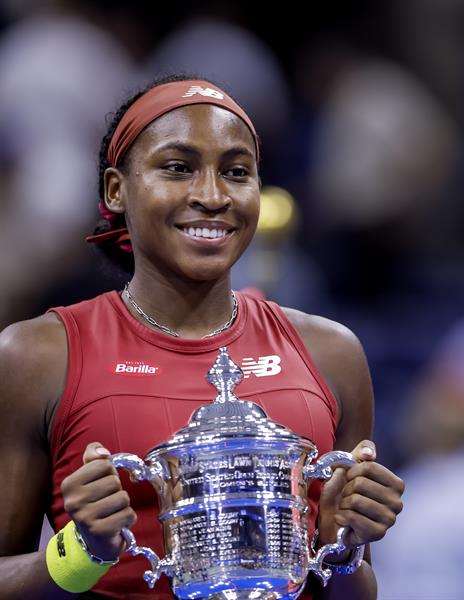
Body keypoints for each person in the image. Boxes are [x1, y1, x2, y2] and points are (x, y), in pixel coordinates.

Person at [0, 75, 404, 599]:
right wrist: (83, 553)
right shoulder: (37, 356)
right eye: (178, 168)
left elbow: (353, 591)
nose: (212, 195)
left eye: (236, 172)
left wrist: (346, 549)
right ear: (115, 189)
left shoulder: (333, 354)